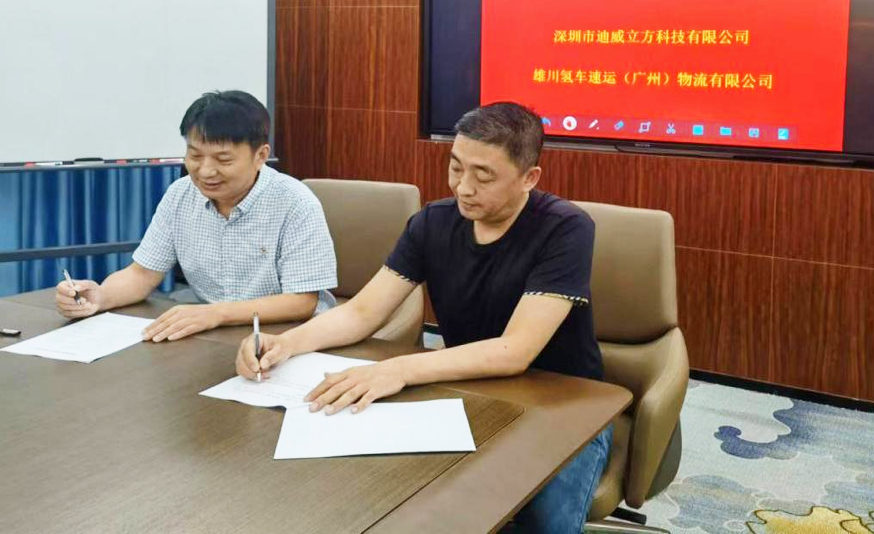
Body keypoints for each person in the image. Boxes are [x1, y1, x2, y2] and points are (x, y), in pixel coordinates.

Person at [235, 101, 609, 534]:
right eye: (456, 167)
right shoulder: (433, 223)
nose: (463, 187)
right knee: (415, 502)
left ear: (529, 178)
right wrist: (287, 343)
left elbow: (515, 350)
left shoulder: (565, 228)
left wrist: (399, 369)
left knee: (543, 519)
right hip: (470, 390)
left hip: (565, 403)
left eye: (483, 176)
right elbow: (362, 312)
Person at [54, 90, 337, 342]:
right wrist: (100, 297)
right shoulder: (180, 195)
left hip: (290, 336)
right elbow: (142, 274)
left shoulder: (294, 203)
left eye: (223, 159)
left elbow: (302, 301)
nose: (205, 171)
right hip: (214, 335)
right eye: (195, 156)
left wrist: (216, 314)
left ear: (260, 156)